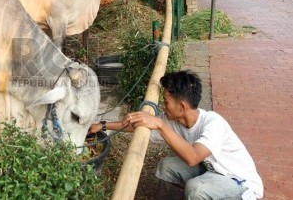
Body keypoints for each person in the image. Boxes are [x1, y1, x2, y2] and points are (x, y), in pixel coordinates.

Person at [89, 70, 263, 199]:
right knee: (167, 166)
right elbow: (140, 126)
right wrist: (103, 125)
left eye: (166, 102)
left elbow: (193, 157)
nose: (162, 107)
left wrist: (160, 125)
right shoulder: (174, 120)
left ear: (182, 107)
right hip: (210, 169)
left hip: (237, 182)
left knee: (196, 189)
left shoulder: (213, 123)